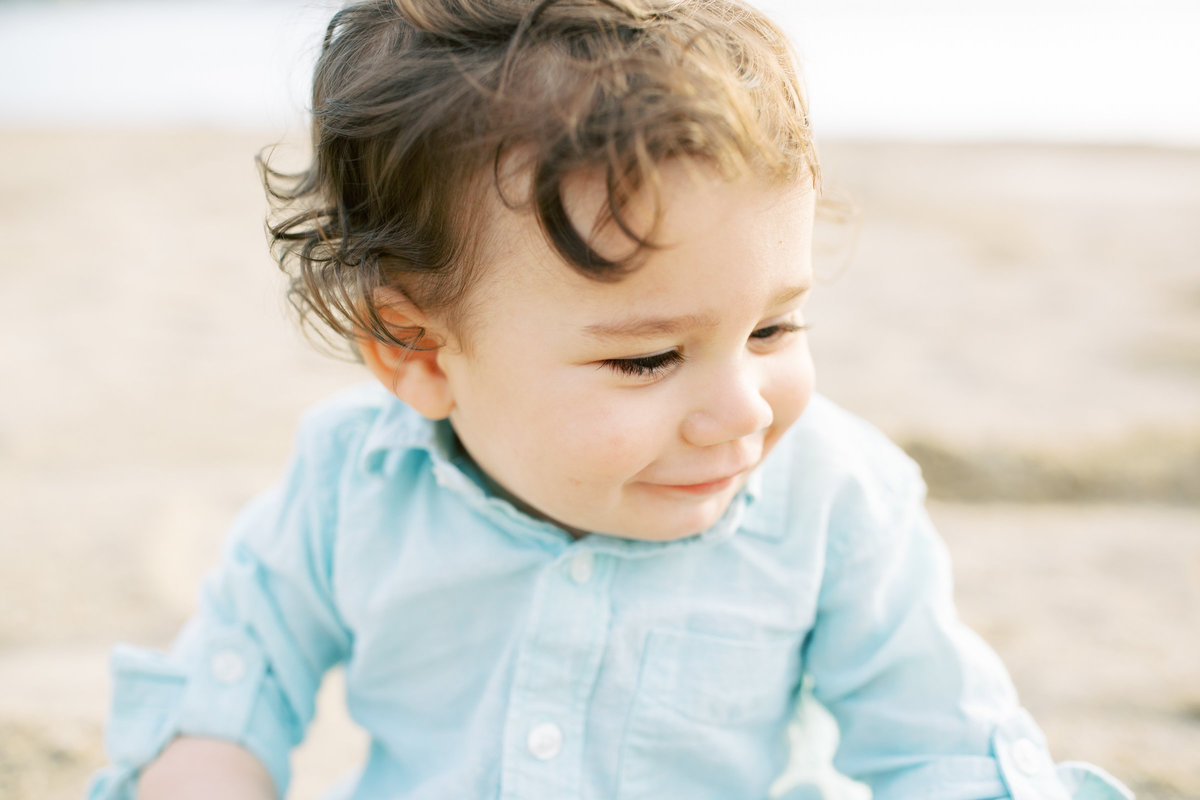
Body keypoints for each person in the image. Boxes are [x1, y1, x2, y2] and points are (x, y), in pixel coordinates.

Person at [87, 1, 1134, 798]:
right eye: (647, 360)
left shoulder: (834, 501)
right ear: (418, 348)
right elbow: (232, 683)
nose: (742, 410)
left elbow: (943, 745)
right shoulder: (351, 483)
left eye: (772, 328)